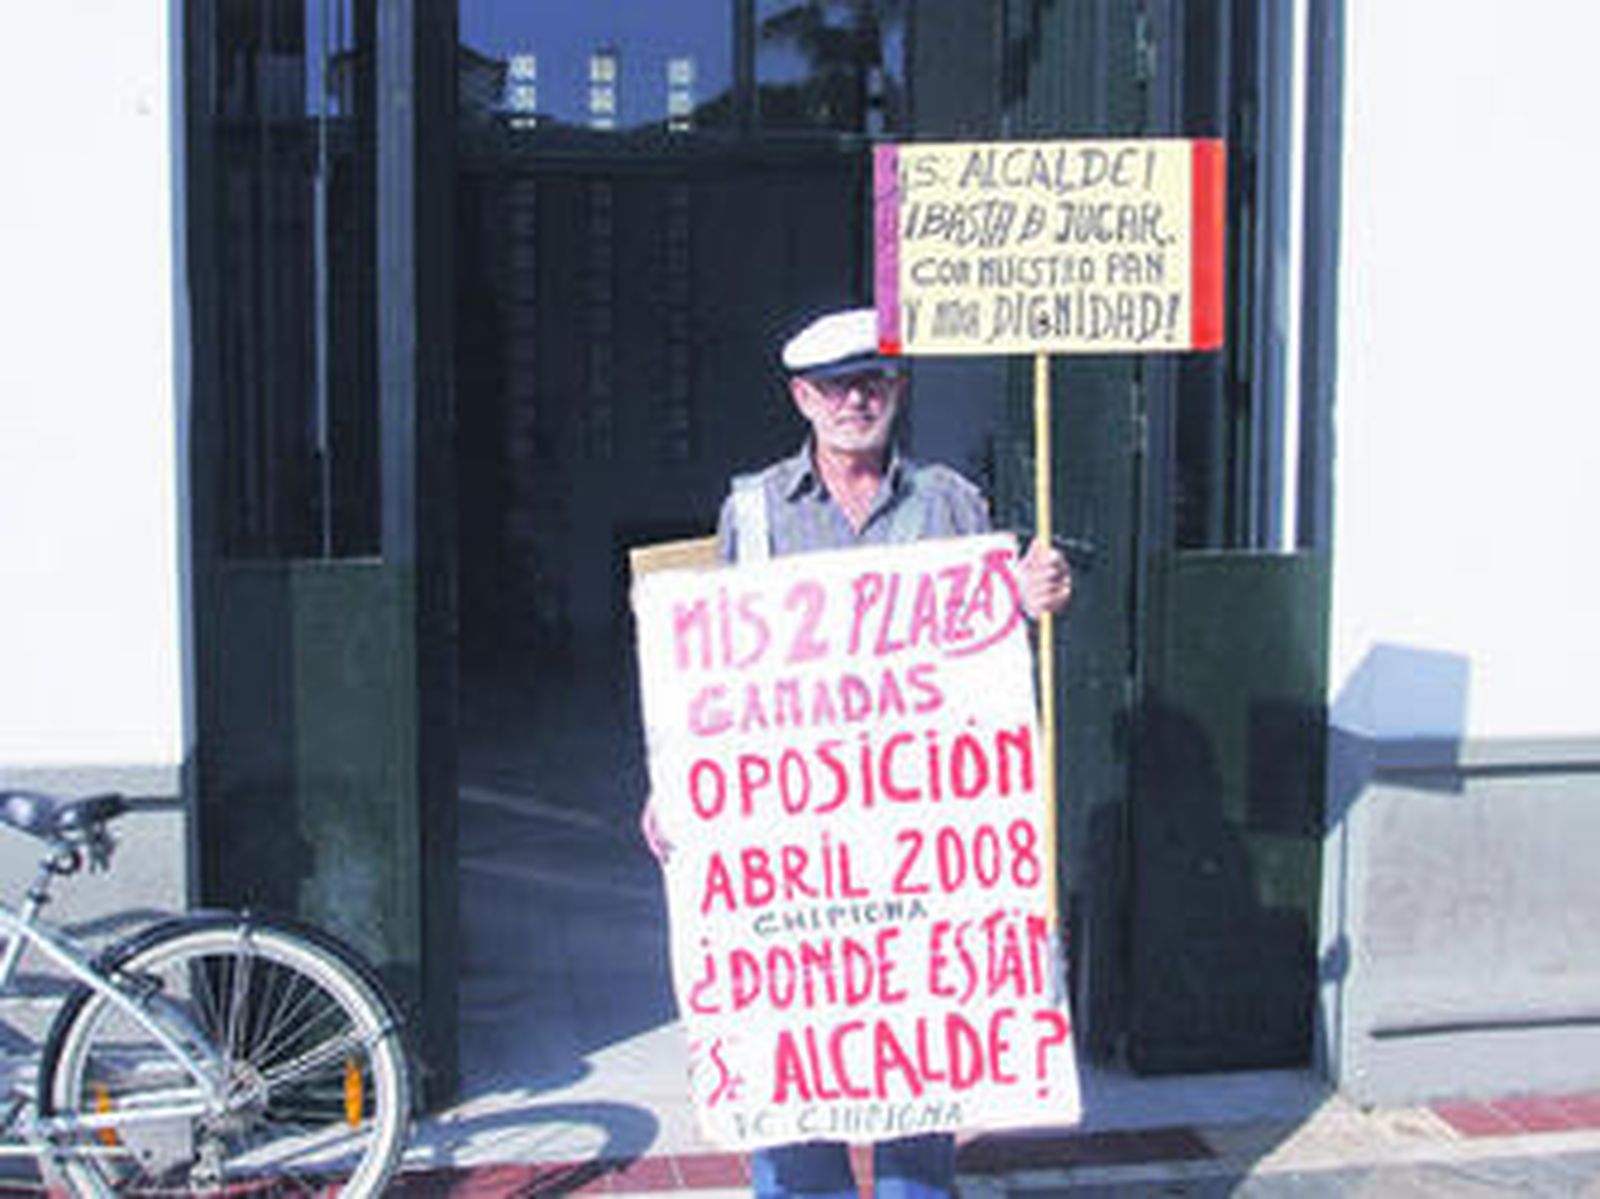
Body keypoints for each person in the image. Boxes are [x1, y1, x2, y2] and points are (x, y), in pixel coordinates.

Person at [645, 306, 1074, 1198]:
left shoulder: (952, 501)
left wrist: (1030, 596)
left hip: (916, 832)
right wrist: (672, 780)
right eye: (835, 386)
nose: (856, 400)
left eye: (873, 381)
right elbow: (709, 670)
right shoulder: (753, 510)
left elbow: (983, 657)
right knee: (793, 1053)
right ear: (802, 397)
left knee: (915, 1047)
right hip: (789, 838)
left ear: (899, 389)